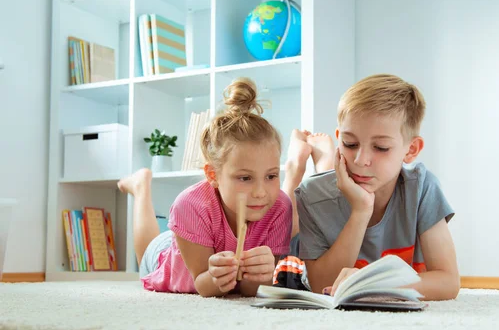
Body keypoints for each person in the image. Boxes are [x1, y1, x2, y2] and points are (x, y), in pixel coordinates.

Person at [117, 77, 294, 297]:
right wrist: (214, 276)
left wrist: (263, 275)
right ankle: (141, 187)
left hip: (197, 235)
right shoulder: (189, 205)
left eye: (271, 176)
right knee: (147, 252)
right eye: (245, 178)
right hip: (175, 254)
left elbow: (250, 291)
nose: (261, 192)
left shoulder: (280, 207)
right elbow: (202, 286)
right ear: (213, 175)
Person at [294, 74, 460, 301]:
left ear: (411, 150)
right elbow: (321, 286)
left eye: (381, 148)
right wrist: (361, 211)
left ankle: (322, 155)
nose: (361, 160)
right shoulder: (311, 195)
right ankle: (310, 157)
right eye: (350, 144)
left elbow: (448, 282)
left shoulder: (422, 188)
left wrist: (374, 285)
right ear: (339, 138)